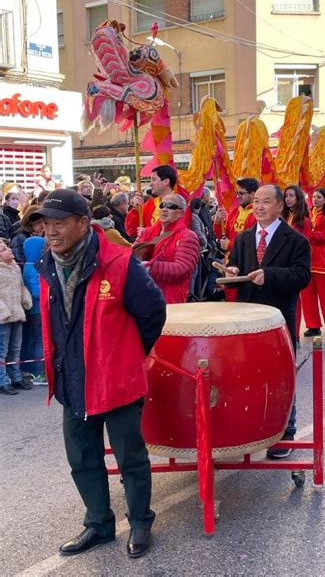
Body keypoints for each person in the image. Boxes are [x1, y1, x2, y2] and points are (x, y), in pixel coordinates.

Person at [32, 189, 166, 558]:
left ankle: (140, 522)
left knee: (130, 458)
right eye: (47, 224)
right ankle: (99, 524)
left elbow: (153, 312)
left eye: (59, 223)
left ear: (82, 224)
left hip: (117, 380)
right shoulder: (48, 264)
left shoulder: (120, 264)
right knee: (82, 458)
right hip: (71, 380)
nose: (51, 232)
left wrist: (126, 353)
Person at [226, 185, 311, 458]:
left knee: (282, 377)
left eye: (266, 202)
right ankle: (252, 428)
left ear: (279, 207)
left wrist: (270, 275)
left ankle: (285, 431)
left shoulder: (296, 241)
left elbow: (302, 276)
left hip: (278, 320)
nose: (259, 206)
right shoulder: (243, 238)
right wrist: (233, 270)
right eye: (257, 202)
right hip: (246, 321)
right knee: (248, 377)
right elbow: (236, 265)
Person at [144, 194, 200, 304]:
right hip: (146, 294)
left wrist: (148, 267)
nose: (164, 209)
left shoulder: (188, 236)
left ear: (182, 212)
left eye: (171, 206)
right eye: (162, 205)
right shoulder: (147, 233)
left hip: (170, 298)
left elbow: (182, 269)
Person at [301, 188, 325, 338]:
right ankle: (313, 325)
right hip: (307, 258)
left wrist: (308, 232)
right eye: (314, 197)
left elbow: (323, 236)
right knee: (307, 295)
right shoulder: (309, 214)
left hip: (322, 259)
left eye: (319, 197)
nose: (316, 199)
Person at [0, 239, 33, 395]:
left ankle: (16, 377)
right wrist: (3, 310)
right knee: (2, 350)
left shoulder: (15, 268)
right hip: (3, 316)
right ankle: (2, 380)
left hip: (17, 313)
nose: (10, 251)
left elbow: (21, 286)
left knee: (15, 348)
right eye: (4, 249)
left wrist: (25, 299)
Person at [282, 185, 311, 342]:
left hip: (294, 263)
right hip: (281, 263)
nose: (288, 199)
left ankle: (294, 335)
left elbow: (303, 243)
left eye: (291, 196)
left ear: (298, 198)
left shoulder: (304, 221)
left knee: (295, 301)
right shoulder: (283, 218)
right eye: (286, 196)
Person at [21, 236, 47, 384]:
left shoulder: (31, 265)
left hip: (36, 309)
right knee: (40, 340)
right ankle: (39, 372)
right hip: (38, 309)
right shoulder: (32, 267)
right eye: (42, 247)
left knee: (37, 339)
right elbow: (37, 291)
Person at [125, 165, 177, 238]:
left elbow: (172, 232)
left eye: (154, 179)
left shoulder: (180, 205)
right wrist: (136, 210)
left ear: (166, 181)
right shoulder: (150, 204)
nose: (150, 184)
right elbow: (132, 231)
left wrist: (146, 232)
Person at [213, 178, 258, 257]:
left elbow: (254, 245)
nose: (237, 196)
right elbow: (223, 236)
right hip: (230, 261)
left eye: (241, 193)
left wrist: (230, 245)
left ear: (252, 194)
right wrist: (217, 223)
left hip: (247, 264)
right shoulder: (235, 212)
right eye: (237, 193)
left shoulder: (258, 215)